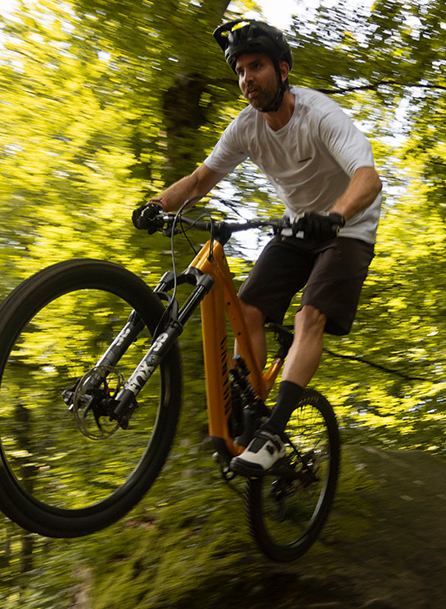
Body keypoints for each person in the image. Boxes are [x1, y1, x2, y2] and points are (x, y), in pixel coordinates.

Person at [138, 19, 383, 477]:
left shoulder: (319, 114)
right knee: (245, 312)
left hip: (347, 229)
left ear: (283, 70)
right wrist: (157, 204)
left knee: (309, 315)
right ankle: (247, 419)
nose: (247, 78)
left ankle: (273, 432)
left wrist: (334, 216)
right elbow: (198, 181)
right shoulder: (246, 128)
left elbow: (368, 179)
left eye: (256, 66)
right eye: (240, 71)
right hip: (295, 229)